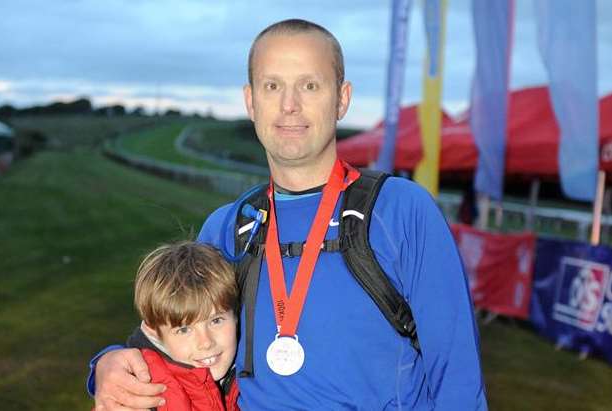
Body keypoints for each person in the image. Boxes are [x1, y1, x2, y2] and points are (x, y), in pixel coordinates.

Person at [90, 19, 488, 410]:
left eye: (310, 85)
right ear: (250, 100)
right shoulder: (228, 228)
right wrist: (106, 365)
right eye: (272, 85)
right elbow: (175, 336)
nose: (289, 104)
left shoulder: (401, 211)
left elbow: (457, 377)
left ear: (342, 99)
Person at [121, 241, 239, 411]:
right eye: (184, 330)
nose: (205, 342)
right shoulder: (140, 393)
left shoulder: (250, 373)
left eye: (216, 321)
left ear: (235, 315)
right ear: (153, 333)